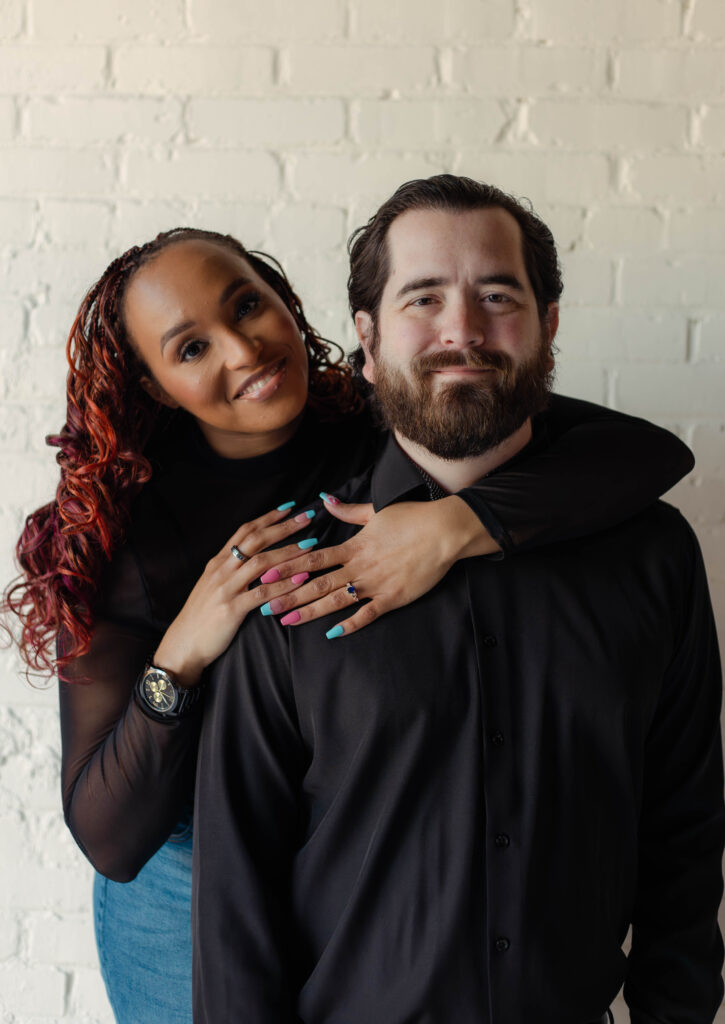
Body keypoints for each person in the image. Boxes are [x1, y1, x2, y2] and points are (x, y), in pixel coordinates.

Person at [2, 225, 693, 1024]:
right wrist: (187, 645)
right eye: (191, 348)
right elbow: (110, 839)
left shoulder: (373, 416)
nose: (244, 350)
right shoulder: (127, 536)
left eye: (247, 306)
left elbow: (644, 456)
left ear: (284, 301)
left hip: (333, 848)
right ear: (156, 385)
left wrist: (454, 525)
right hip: (182, 880)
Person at [192, 176, 725, 1024]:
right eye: (423, 297)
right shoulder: (292, 566)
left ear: (548, 326)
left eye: (496, 295)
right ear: (366, 340)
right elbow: (235, 903)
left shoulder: (651, 555)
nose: (462, 330)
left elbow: (684, 837)